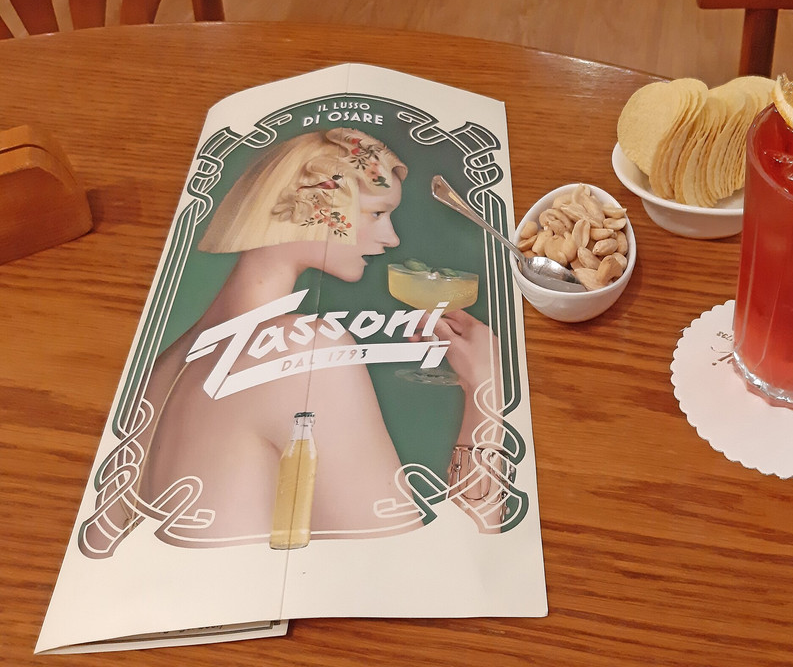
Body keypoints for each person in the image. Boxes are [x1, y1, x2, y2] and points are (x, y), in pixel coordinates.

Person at [87, 127, 507, 553]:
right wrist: (485, 390)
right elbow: (437, 568)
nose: (391, 238)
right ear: (313, 206)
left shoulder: (167, 363)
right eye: (376, 213)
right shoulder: (306, 348)